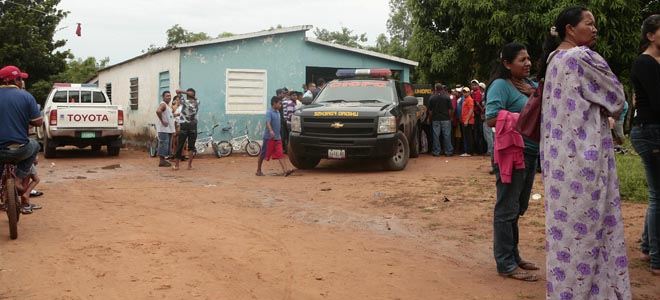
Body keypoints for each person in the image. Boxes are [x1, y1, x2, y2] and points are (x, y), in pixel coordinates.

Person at [538, 6, 632, 298]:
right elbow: (617, 99)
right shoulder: (582, 57)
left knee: (567, 235)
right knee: (593, 231)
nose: (594, 29)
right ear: (569, 28)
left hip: (557, 162)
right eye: (589, 24)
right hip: (584, 159)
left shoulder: (553, 60)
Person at [484, 43, 540, 282]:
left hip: (531, 152)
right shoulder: (500, 86)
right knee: (507, 207)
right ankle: (505, 262)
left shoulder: (532, 87)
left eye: (528, 58)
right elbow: (491, 118)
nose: (527, 63)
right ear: (507, 64)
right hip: (511, 153)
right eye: (521, 60)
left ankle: (514, 255)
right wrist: (524, 117)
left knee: (518, 207)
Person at [631, 14, 660, 276]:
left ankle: (647, 248)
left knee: (656, 195)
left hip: (652, 130)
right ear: (651, 35)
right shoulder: (645, 62)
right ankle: (656, 260)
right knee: (658, 195)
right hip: (650, 131)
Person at [0, 65, 43, 214]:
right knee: (35, 145)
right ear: (15, 80)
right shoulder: (26, 96)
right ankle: (19, 179)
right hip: (19, 149)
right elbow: (38, 122)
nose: (21, 82)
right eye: (20, 79)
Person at [256, 96, 294, 177]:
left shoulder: (278, 112)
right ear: (274, 103)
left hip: (277, 137)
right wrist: (270, 131)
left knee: (280, 154)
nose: (280, 105)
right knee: (263, 154)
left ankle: (285, 170)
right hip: (269, 138)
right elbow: (268, 123)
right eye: (279, 103)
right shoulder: (269, 112)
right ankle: (258, 170)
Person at [173, 88, 199, 170]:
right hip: (193, 126)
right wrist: (187, 93)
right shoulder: (197, 102)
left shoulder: (184, 101)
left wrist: (182, 92)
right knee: (191, 146)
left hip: (184, 125)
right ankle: (189, 166)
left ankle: (177, 165)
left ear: (187, 95)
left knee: (180, 145)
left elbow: (177, 91)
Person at [428, 83, 453, 156]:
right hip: (445, 119)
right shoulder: (447, 97)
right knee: (447, 135)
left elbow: (430, 111)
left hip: (435, 119)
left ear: (435, 89)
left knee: (436, 135)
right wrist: (450, 117)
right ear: (442, 88)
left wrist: (430, 118)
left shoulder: (432, 98)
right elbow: (450, 109)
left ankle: (436, 151)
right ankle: (448, 151)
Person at [155, 91, 175, 167]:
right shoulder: (163, 104)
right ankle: (161, 161)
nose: (169, 97)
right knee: (163, 144)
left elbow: (170, 116)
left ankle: (163, 160)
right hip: (163, 129)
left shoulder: (167, 106)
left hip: (168, 129)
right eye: (167, 96)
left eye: (170, 96)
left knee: (166, 145)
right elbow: (158, 111)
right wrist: (162, 121)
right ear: (163, 97)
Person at [460, 86, 475, 157]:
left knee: (468, 136)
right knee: (467, 136)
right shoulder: (465, 99)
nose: (464, 93)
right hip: (465, 120)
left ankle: (469, 152)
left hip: (468, 121)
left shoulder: (469, 99)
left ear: (469, 92)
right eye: (464, 92)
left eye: (466, 92)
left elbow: (471, 110)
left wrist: (466, 120)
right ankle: (468, 151)